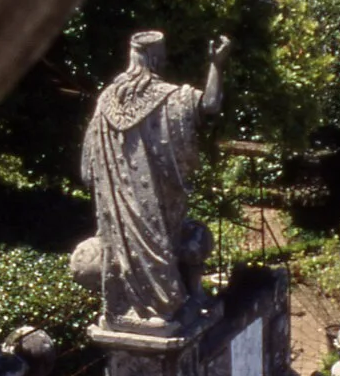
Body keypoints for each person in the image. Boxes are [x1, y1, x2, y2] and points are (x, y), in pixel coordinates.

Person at [80, 30, 229, 325]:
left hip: (117, 212)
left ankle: (123, 308)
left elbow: (89, 168)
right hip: (155, 205)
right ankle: (162, 306)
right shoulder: (169, 97)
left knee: (122, 251)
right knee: (163, 246)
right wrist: (217, 64)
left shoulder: (105, 101)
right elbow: (210, 104)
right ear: (156, 58)